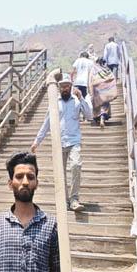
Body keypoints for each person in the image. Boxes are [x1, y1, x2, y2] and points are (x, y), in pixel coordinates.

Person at [30, 73, 92, 211]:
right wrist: (37, 141)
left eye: (67, 86)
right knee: (60, 172)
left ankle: (74, 199)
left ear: (71, 87)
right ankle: (64, 200)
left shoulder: (77, 101)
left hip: (74, 141)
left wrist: (81, 98)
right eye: (62, 86)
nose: (65, 88)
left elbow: (89, 115)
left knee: (76, 165)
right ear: (59, 88)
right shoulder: (54, 103)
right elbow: (47, 123)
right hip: (59, 143)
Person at [90, 58, 113, 128]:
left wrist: (91, 92)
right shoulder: (107, 70)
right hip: (105, 90)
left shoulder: (93, 70)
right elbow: (111, 79)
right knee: (105, 105)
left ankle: (98, 118)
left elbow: (91, 81)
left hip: (96, 90)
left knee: (97, 105)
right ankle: (102, 117)